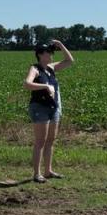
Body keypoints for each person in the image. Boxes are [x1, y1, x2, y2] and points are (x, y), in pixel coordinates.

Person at [23, 40, 74, 183]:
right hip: (39, 107)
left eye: (52, 52)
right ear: (40, 55)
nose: (51, 54)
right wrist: (45, 86)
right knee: (40, 141)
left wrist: (61, 45)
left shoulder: (51, 68)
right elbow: (27, 84)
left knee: (51, 140)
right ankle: (36, 173)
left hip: (53, 107)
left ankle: (48, 171)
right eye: (48, 52)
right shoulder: (35, 68)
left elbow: (70, 61)